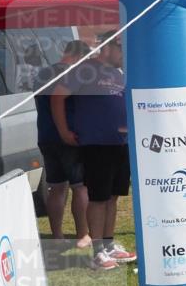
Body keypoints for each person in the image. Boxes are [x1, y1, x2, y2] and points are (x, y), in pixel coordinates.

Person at [51, 33, 136, 271]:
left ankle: (107, 245)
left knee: (112, 196)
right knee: (98, 198)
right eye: (121, 49)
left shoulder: (119, 73)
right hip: (96, 145)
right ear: (108, 47)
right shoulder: (85, 69)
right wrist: (64, 131)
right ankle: (97, 253)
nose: (123, 56)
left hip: (120, 143)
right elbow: (57, 97)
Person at [35, 39, 92, 247]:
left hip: (45, 136)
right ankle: (83, 234)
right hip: (68, 136)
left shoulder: (41, 74)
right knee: (81, 187)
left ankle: (57, 236)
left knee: (56, 188)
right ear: (78, 56)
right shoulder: (73, 75)